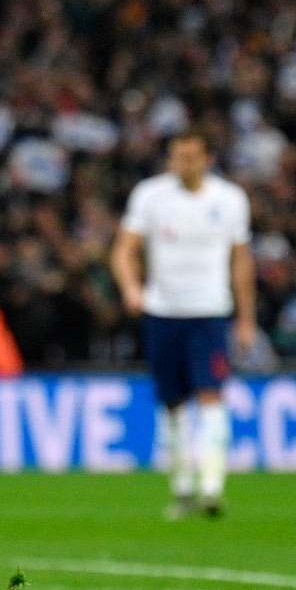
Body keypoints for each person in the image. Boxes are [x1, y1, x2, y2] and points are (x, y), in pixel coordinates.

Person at [110, 129, 255, 519]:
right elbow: (124, 249)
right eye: (176, 157)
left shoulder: (229, 200)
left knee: (211, 395)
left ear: (207, 158)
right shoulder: (150, 195)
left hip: (210, 313)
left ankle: (211, 485)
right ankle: (182, 487)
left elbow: (241, 262)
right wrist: (130, 288)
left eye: (190, 156)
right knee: (171, 404)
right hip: (163, 312)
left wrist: (246, 320)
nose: (182, 164)